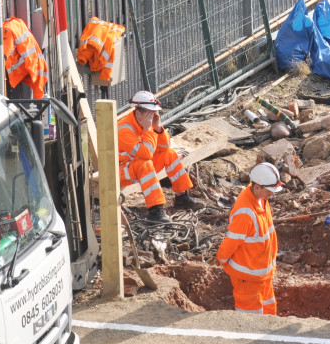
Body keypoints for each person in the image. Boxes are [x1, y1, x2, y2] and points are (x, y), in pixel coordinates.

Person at [117, 90, 200, 222]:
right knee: (145, 164)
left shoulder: (145, 124)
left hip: (135, 166)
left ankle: (182, 197)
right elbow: (146, 154)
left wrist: (158, 128)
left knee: (170, 154)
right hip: (119, 171)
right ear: (138, 113)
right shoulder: (124, 129)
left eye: (155, 113)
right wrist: (148, 129)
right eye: (150, 114)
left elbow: (165, 146)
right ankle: (155, 211)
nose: (154, 116)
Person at [217, 163, 281, 314]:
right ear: (257, 186)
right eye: (269, 190)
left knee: (268, 306)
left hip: (262, 273)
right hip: (248, 276)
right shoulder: (245, 212)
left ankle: (269, 335)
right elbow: (232, 242)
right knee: (249, 316)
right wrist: (222, 258)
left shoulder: (261, 199)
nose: (272, 194)